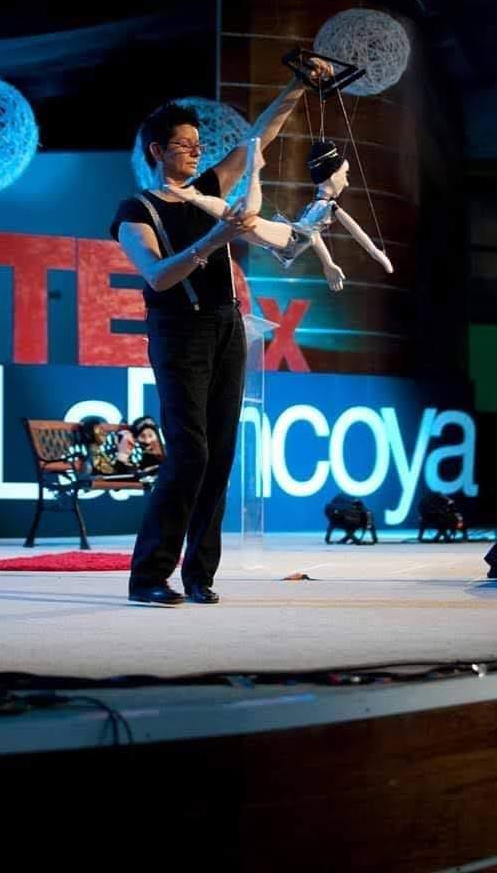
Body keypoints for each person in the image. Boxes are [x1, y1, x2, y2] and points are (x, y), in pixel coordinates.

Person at [110, 59, 333, 605]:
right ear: (157, 150)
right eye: (183, 145)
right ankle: (148, 577)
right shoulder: (137, 210)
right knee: (190, 453)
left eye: (197, 144)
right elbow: (159, 275)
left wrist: (299, 84)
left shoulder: (208, 189)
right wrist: (213, 240)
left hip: (228, 327)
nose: (195, 151)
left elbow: (260, 136)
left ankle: (199, 575)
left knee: (221, 454)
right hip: (179, 332)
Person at [164, 137, 394, 291]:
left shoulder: (318, 207)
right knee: (247, 217)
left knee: (237, 220)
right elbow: (354, 232)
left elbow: (314, 235)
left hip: (291, 239)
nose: (347, 181)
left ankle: (195, 196)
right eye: (345, 174)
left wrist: (329, 263)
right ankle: (254, 170)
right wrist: (376, 254)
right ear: (333, 176)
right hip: (290, 237)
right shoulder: (328, 207)